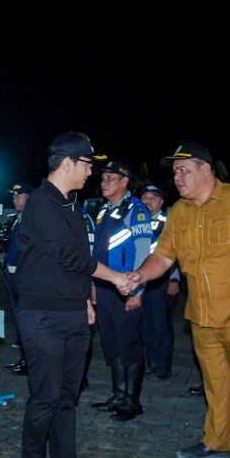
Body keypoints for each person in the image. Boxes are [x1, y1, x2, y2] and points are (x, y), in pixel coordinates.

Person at [126, 143, 230, 458]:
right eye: (174, 172)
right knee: (214, 382)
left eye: (184, 170)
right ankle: (215, 439)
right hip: (201, 313)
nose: (177, 177)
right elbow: (164, 257)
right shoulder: (180, 213)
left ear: (205, 171)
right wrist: (140, 275)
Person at [15, 131, 130, 458]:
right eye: (86, 165)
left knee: (68, 395)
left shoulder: (70, 204)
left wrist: (85, 299)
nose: (90, 173)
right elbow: (71, 256)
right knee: (45, 396)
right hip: (44, 317)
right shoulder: (41, 203)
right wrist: (115, 278)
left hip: (73, 315)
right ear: (67, 163)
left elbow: (70, 265)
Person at [89, 161, 152, 421]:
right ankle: (118, 395)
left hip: (126, 289)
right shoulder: (104, 211)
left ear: (124, 182)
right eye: (103, 178)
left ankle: (132, 401)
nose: (104, 182)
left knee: (130, 344)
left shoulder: (136, 210)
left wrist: (137, 292)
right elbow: (96, 253)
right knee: (112, 343)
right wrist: (93, 285)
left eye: (110, 178)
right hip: (104, 289)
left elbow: (142, 252)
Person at [139, 184, 180, 380]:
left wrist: (175, 278)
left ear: (162, 202)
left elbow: (179, 254)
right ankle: (151, 362)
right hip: (142, 281)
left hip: (162, 281)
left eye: (152, 198)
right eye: (145, 198)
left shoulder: (169, 221)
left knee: (161, 324)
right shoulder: (139, 221)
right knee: (145, 323)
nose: (147, 202)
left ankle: (163, 366)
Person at [3, 182, 33, 375]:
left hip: (25, 276)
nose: (14, 198)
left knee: (25, 319)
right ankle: (24, 359)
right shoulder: (18, 218)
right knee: (18, 317)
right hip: (14, 273)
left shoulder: (32, 219)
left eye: (18, 195)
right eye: (13, 195)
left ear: (29, 197)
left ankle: (30, 362)